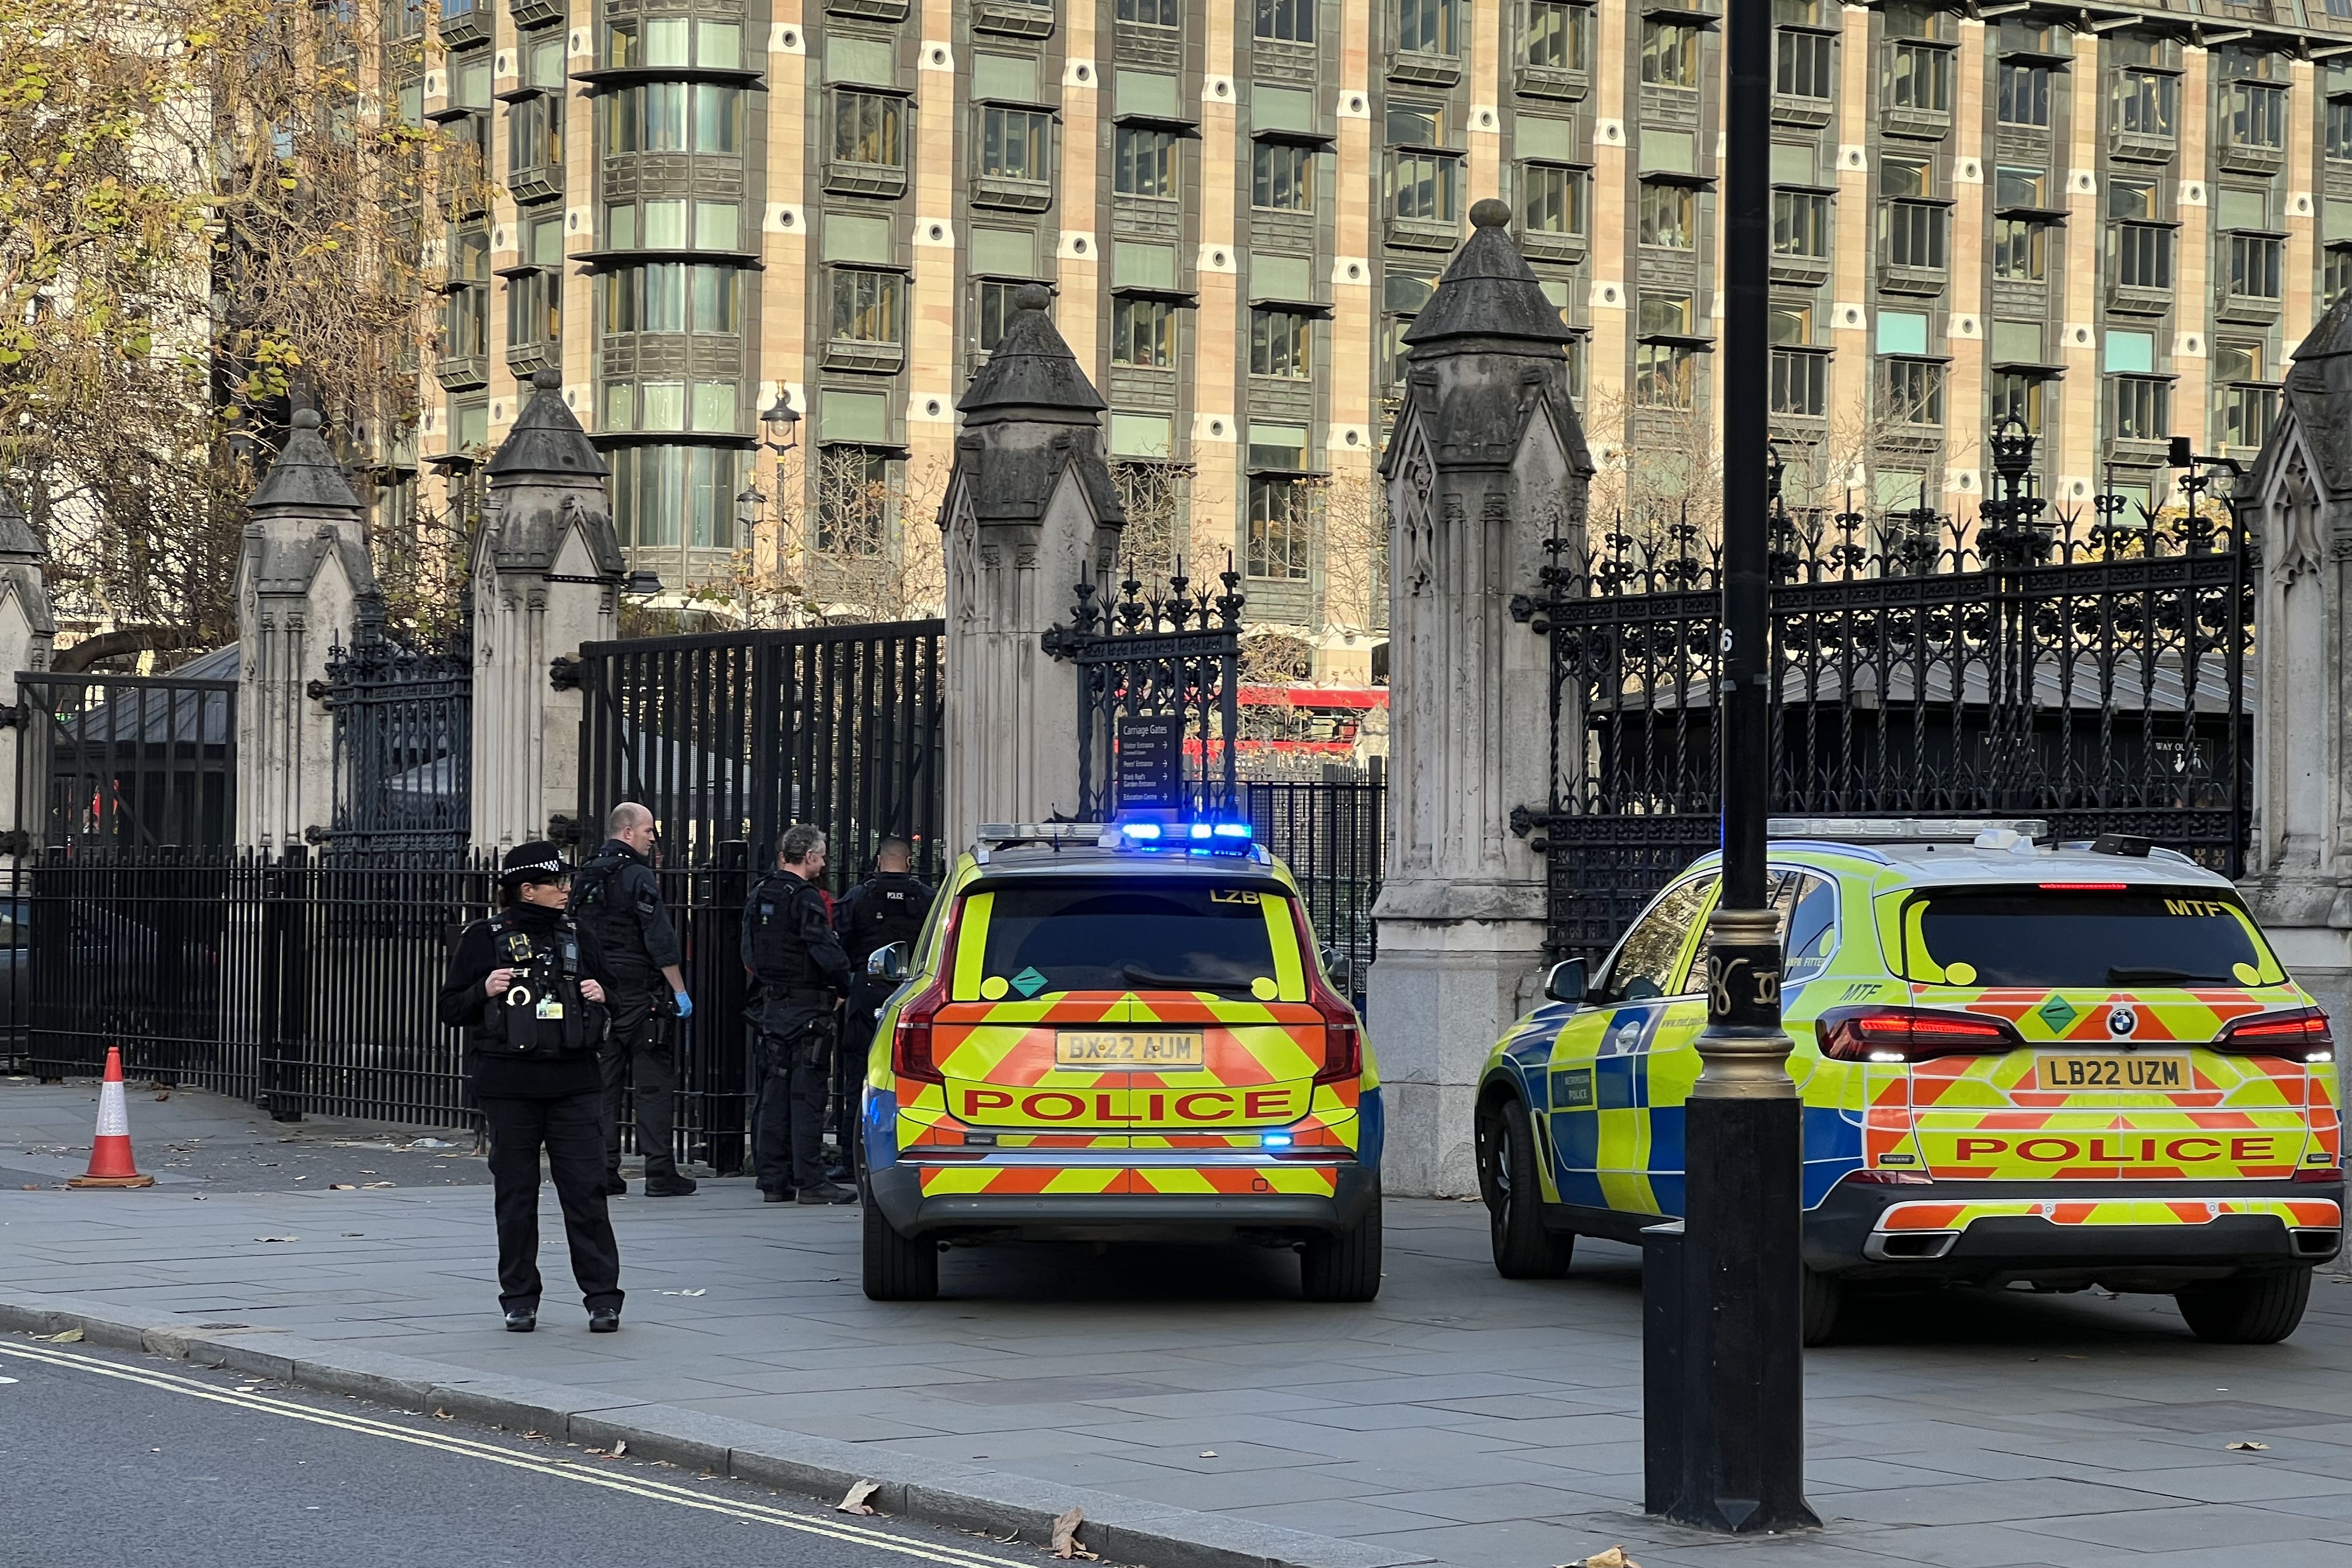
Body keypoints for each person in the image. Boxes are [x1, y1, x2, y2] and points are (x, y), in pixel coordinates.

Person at [436, 842, 625, 1334]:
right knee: (517, 1197)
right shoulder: (483, 938)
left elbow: (618, 998)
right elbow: (450, 1008)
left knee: (586, 1193)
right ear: (527, 889)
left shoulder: (580, 934)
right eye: (556, 883)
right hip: (509, 1086)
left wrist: (604, 994)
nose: (566, 890)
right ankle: (519, 1298)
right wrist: (484, 990)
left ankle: (602, 1298)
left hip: (574, 1082)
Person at [571, 802, 696, 1198]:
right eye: (648, 831)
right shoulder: (638, 875)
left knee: (603, 1083)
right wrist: (679, 990)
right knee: (654, 1082)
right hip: (639, 992)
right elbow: (658, 936)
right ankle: (660, 1171)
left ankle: (605, 1169)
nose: (653, 837)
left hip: (596, 990)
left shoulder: (585, 874)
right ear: (627, 833)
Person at [741, 823, 855, 1205]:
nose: (823, 865)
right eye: (821, 857)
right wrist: (845, 985)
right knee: (806, 1097)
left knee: (774, 1092)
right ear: (808, 857)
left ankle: (773, 1179)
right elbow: (823, 948)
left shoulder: (761, 893)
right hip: (807, 1008)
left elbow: (749, 952)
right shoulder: (804, 898)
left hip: (773, 1006)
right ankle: (811, 1180)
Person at [830, 836, 934, 1179]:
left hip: (865, 994)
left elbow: (838, 946)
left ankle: (850, 1161)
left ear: (877, 861)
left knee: (858, 1077)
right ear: (908, 863)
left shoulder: (859, 896)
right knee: (916, 1080)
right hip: (914, 997)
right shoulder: (927, 898)